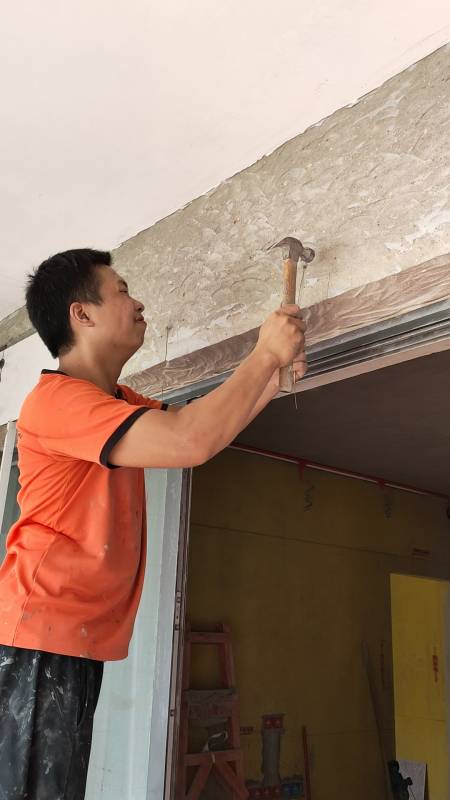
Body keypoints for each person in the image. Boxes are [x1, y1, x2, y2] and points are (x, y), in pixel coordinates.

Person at [0, 248, 306, 799]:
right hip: (39, 633)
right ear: (81, 314)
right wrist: (264, 355)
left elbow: (198, 427)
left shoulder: (117, 401)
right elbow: (189, 440)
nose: (138, 302)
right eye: (121, 291)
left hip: (67, 636)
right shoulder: (56, 402)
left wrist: (270, 376)